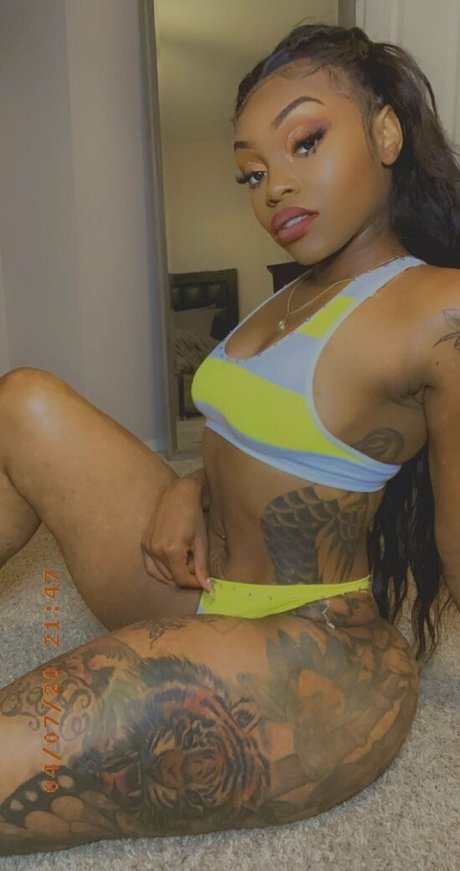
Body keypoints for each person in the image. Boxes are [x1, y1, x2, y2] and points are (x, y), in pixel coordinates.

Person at [0, 21, 458, 857]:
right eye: (253, 172)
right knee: (22, 401)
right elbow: (257, 438)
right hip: (196, 579)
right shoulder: (289, 296)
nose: (275, 187)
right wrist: (189, 484)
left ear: (387, 133)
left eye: (305, 142)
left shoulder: (438, 307)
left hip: (311, 654)